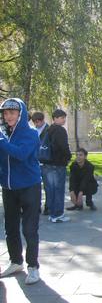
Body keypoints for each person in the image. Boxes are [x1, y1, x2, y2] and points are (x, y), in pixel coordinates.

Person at [0, 98, 42, 284]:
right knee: (10, 228)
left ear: (20, 114)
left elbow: (20, 155)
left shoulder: (31, 134)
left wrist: (0, 140)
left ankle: (33, 267)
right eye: (5, 113)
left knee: (29, 229)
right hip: (9, 187)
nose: (8, 116)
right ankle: (16, 261)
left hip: (29, 187)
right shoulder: (3, 134)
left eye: (12, 112)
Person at [40, 109, 72, 222]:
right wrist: (68, 157)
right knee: (58, 190)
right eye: (62, 118)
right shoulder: (60, 130)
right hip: (57, 164)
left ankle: (52, 213)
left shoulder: (49, 129)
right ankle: (58, 214)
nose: (64, 120)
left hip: (47, 163)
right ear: (56, 118)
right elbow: (63, 146)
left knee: (50, 190)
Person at [31, 111, 50, 215]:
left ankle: (48, 206)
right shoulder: (33, 130)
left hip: (45, 162)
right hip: (35, 161)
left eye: (37, 122)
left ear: (42, 120)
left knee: (47, 186)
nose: (36, 124)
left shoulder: (49, 130)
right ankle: (36, 206)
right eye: (34, 122)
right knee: (35, 186)